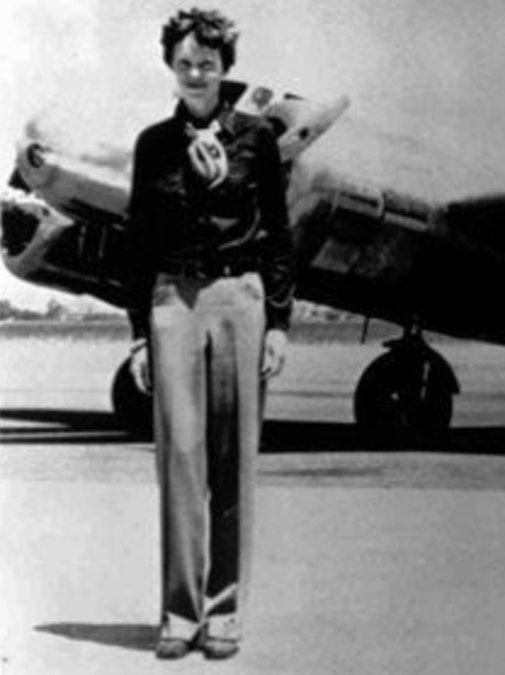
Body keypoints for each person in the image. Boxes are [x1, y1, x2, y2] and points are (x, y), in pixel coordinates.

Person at [124, 7, 294, 661]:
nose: (195, 73)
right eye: (185, 63)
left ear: (226, 68)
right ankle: (179, 612)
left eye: (208, 64)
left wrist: (278, 321)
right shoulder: (153, 146)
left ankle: (224, 614)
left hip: (239, 299)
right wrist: (140, 331)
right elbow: (136, 245)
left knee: (233, 464)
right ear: (171, 66)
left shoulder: (257, 139)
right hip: (173, 299)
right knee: (180, 461)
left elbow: (279, 235)